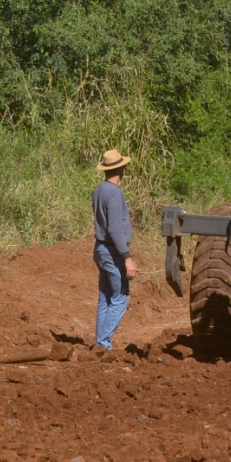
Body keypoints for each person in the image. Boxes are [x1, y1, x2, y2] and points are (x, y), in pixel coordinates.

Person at [91, 148, 138, 350]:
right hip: (112, 252)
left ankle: (100, 344)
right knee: (120, 298)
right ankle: (103, 343)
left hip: (100, 249)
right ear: (121, 169)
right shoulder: (115, 193)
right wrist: (127, 257)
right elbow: (115, 228)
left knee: (106, 297)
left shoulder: (99, 190)